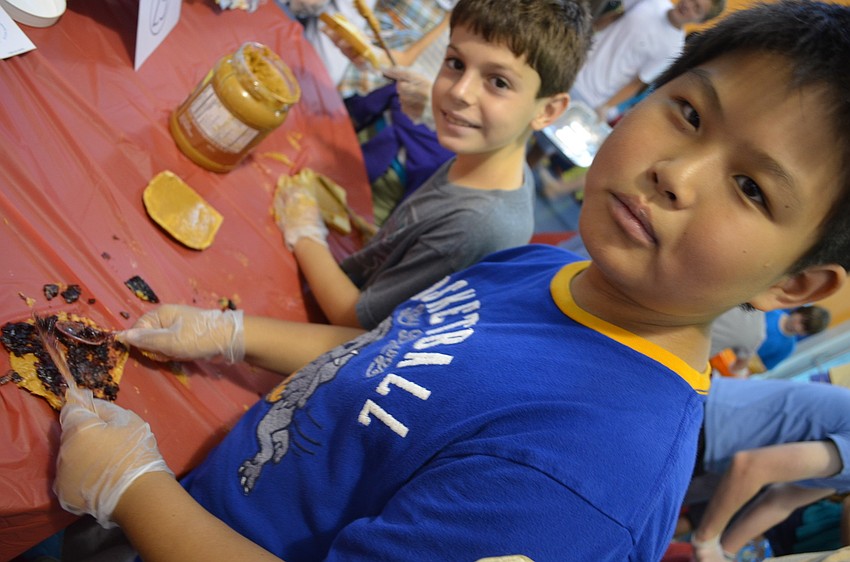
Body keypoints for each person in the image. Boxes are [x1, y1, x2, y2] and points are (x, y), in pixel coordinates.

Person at [51, 1, 850, 560]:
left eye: (752, 189)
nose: (676, 172)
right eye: (689, 113)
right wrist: (229, 333)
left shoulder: (585, 480)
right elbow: (393, 348)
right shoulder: (555, 267)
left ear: (796, 287)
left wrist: (135, 489)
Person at [274, 0, 589, 330]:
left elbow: (353, 322)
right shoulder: (489, 161)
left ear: (548, 111)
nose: (459, 92)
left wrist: (306, 232)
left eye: (498, 82)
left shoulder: (476, 225)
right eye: (455, 63)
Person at [688, 377, 850, 561]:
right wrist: (707, 541)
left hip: (714, 432)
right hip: (706, 417)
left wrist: (725, 553)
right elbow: (752, 467)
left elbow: (781, 501)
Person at [570, 0, 725, 120]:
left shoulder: (673, 50)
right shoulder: (651, 2)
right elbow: (611, 18)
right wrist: (576, 40)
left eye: (696, 8)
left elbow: (637, 83)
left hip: (592, 97)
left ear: (701, 21)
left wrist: (605, 107)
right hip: (571, 67)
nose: (688, 5)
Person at [759, 305, 832, 371]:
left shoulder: (788, 347)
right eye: (801, 321)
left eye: (804, 329)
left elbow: (763, 368)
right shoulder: (770, 310)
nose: (797, 327)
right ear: (799, 311)